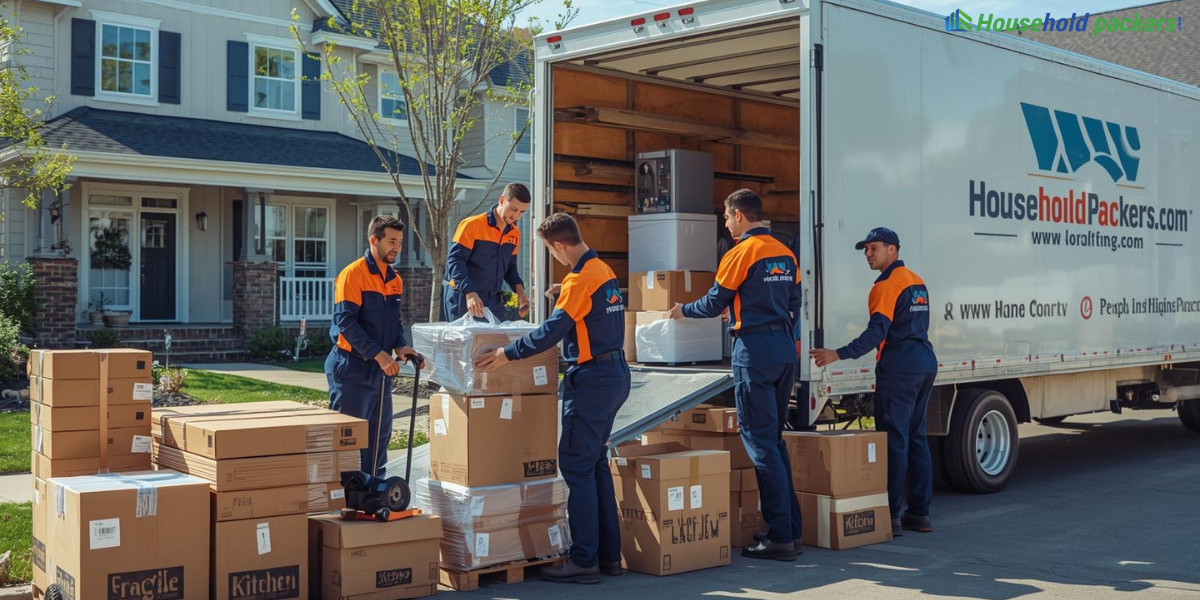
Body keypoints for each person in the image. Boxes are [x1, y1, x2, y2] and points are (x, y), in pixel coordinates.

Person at [475, 212, 630, 584]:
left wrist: (507, 354)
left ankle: (584, 560)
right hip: (615, 375)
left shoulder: (579, 280)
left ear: (559, 245)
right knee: (594, 464)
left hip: (592, 381)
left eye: (550, 250)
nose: (554, 257)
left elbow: (551, 332)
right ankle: (608, 556)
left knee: (576, 467)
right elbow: (592, 311)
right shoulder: (602, 271)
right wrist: (565, 293)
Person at [666, 189, 804, 561]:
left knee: (760, 444)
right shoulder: (785, 252)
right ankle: (791, 530)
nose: (726, 224)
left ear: (739, 215)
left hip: (754, 351)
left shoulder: (739, 253)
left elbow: (714, 302)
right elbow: (793, 302)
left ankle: (780, 537)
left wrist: (682, 310)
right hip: (782, 349)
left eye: (727, 217)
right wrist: (747, 306)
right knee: (774, 441)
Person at [809, 227, 937, 535]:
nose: (869, 254)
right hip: (924, 361)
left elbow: (875, 333)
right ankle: (920, 513)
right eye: (866, 249)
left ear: (892, 249)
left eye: (874, 248)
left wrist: (837, 354)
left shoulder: (887, 285)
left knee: (895, 440)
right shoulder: (916, 281)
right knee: (916, 437)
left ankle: (891, 515)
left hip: (900, 367)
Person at [325, 216, 424, 476]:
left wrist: (400, 346)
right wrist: (378, 354)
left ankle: (373, 490)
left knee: (379, 436)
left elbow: (393, 322)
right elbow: (346, 323)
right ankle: (343, 493)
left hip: (380, 370)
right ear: (374, 240)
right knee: (348, 441)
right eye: (391, 241)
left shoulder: (395, 279)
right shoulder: (352, 274)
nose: (397, 248)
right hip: (351, 368)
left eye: (400, 242)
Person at [443, 183, 532, 321]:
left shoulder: (514, 234)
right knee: (467, 336)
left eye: (522, 212)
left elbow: (510, 268)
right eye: (513, 209)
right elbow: (455, 261)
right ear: (502, 200)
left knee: (498, 335)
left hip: (493, 300)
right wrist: (469, 293)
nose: (516, 216)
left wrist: (520, 293)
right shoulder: (471, 225)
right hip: (464, 297)